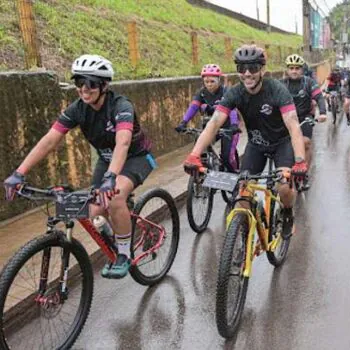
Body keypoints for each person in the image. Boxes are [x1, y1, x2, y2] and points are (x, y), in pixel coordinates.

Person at [3, 54, 154, 279]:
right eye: (79, 82)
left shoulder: (121, 105)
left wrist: (111, 178)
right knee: (94, 214)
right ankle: (120, 232)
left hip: (136, 157)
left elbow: (123, 142)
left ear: (104, 85)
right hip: (106, 160)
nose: (84, 89)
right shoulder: (77, 109)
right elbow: (49, 140)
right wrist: (19, 173)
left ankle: (123, 253)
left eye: (90, 83)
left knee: (115, 198)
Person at [182, 45, 307, 239]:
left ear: (262, 70)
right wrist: (194, 155)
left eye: (253, 68)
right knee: (243, 193)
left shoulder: (277, 90)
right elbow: (214, 123)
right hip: (256, 146)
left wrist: (300, 160)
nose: (247, 74)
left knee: (283, 186)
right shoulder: (235, 93)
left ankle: (287, 212)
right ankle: (242, 241)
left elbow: (293, 125)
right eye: (242, 68)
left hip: (282, 144)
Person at [175, 64, 240, 172]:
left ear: (219, 80)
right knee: (199, 153)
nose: (209, 84)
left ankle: (236, 177)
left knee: (226, 157)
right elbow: (193, 107)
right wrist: (183, 122)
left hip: (229, 127)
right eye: (206, 82)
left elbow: (232, 110)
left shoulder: (226, 92)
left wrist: (234, 125)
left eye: (212, 81)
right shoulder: (202, 93)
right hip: (211, 126)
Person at [281, 54, 327, 169]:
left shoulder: (309, 82)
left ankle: (304, 172)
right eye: (291, 68)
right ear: (287, 70)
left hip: (304, 118)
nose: (294, 71)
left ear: (302, 69)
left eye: (297, 68)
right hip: (286, 119)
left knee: (305, 143)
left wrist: (322, 112)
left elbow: (319, 97)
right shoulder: (281, 84)